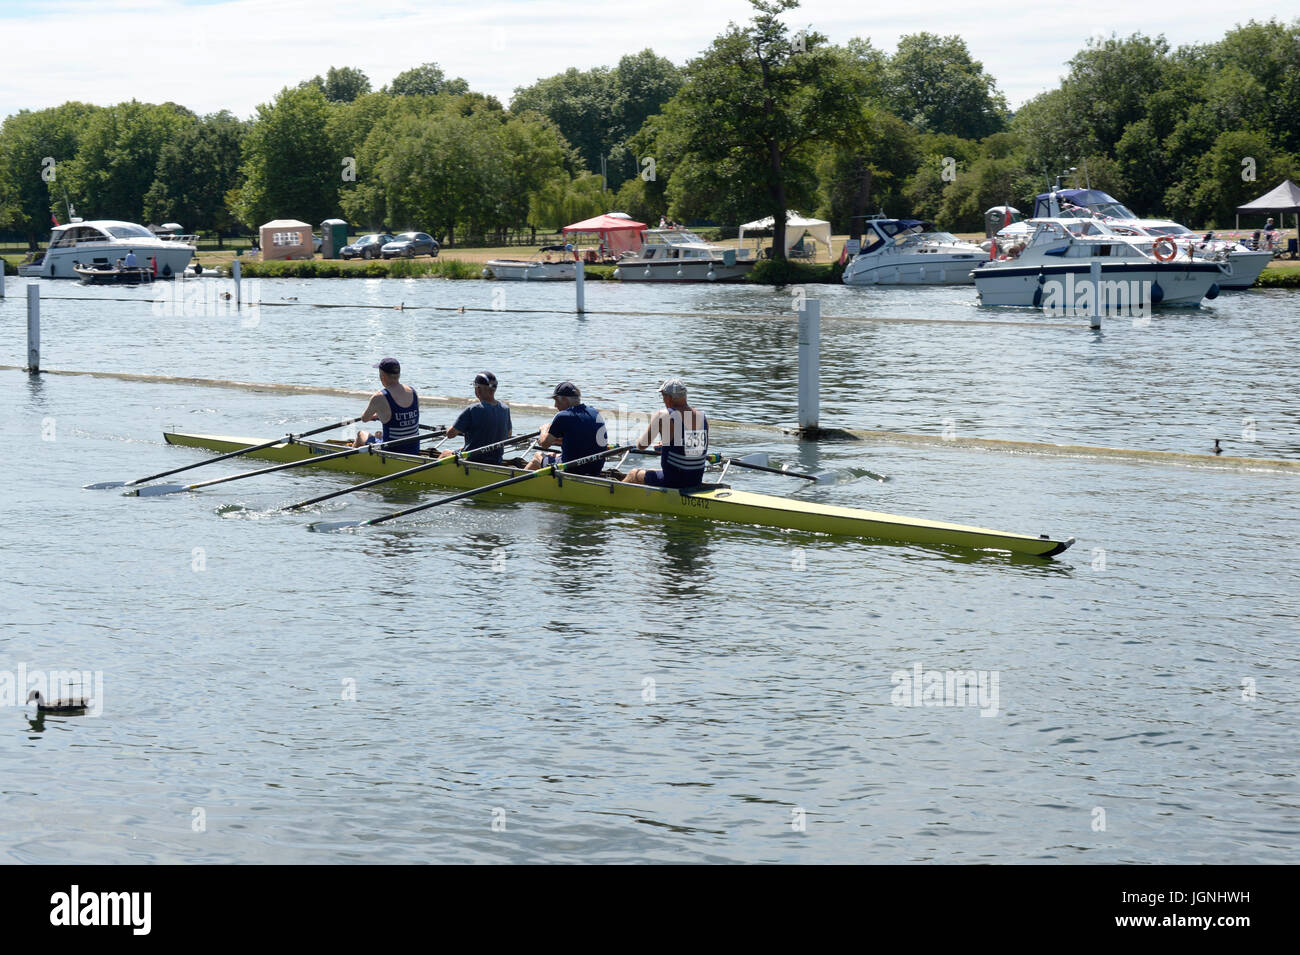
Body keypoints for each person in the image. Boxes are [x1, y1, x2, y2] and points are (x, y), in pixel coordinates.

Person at [622, 378, 708, 488]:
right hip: (695, 480)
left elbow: (642, 446)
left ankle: (612, 498)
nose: (663, 399)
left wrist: (637, 441)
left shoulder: (664, 415)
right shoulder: (702, 417)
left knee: (634, 473)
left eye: (663, 396)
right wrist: (666, 447)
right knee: (652, 471)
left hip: (673, 482)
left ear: (669, 397)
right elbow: (693, 449)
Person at [525, 382, 608, 475]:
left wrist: (544, 430)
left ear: (565, 400)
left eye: (556, 400)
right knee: (553, 455)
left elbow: (544, 444)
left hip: (571, 470)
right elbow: (580, 438)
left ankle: (517, 484)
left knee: (537, 456)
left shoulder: (563, 416)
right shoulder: (594, 412)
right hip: (596, 469)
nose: (555, 405)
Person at [352, 357, 421, 455]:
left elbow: (364, 418)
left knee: (361, 434)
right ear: (398, 374)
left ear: (382, 375)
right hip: (414, 450)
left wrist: (376, 415)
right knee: (380, 434)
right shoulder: (413, 392)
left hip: (391, 452)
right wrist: (381, 414)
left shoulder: (379, 397)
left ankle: (351, 459)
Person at [441, 371, 512, 464]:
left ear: (478, 389)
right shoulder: (505, 409)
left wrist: (452, 429)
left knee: (445, 453)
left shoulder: (473, 409)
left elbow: (450, 434)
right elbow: (509, 435)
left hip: (473, 460)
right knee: (463, 449)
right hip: (496, 461)